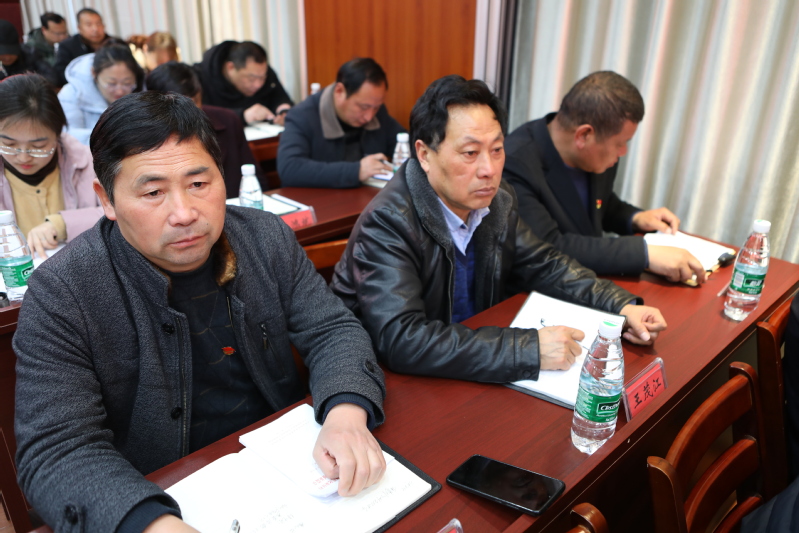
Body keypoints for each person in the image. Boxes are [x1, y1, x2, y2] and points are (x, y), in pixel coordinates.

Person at [14, 91, 387, 531]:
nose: (184, 213)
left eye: (198, 184)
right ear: (107, 199)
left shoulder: (264, 237)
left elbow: (332, 330)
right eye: (153, 192)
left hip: (292, 469)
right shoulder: (63, 292)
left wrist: (346, 414)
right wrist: (151, 523)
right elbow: (57, 449)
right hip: (160, 491)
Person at [330, 75, 667, 383]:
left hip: (471, 363)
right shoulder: (388, 221)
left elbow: (545, 263)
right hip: (393, 382)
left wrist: (620, 306)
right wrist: (527, 350)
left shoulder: (496, 200)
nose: (489, 169)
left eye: (496, 150)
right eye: (470, 153)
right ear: (425, 154)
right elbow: (404, 340)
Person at [503, 71, 706, 282]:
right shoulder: (515, 164)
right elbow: (549, 246)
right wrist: (644, 254)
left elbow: (600, 204)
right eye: (620, 144)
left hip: (589, 281)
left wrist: (634, 218)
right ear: (584, 135)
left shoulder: (594, 154)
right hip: (541, 287)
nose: (623, 152)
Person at [0, 73, 102, 258]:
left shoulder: (87, 163)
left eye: (38, 146)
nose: (23, 157)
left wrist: (62, 224)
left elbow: (119, 213)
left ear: (58, 134)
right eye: (9, 144)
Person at [278, 57, 405, 188]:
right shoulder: (302, 116)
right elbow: (290, 168)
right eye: (363, 107)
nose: (369, 117)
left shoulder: (375, 111)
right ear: (339, 91)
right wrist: (356, 171)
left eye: (376, 107)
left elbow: (405, 143)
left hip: (367, 196)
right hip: (319, 198)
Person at [146, 61, 266, 197]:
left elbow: (255, 177)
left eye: (195, 102)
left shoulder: (228, 121)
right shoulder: (146, 141)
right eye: (178, 107)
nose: (190, 112)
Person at [58, 43, 144, 145]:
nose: (120, 91)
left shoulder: (141, 91)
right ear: (94, 73)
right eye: (112, 83)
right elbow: (68, 136)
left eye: (127, 83)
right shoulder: (71, 95)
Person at [194, 40, 293, 125]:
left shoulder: (260, 71)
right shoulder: (199, 79)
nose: (258, 85)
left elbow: (279, 96)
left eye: (262, 78)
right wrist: (242, 115)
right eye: (251, 79)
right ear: (230, 67)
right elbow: (198, 114)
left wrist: (284, 110)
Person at [53, 7, 115, 86]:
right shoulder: (67, 46)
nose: (95, 29)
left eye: (98, 24)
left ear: (103, 26)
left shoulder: (114, 44)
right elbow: (61, 74)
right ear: (79, 28)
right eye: (89, 25)